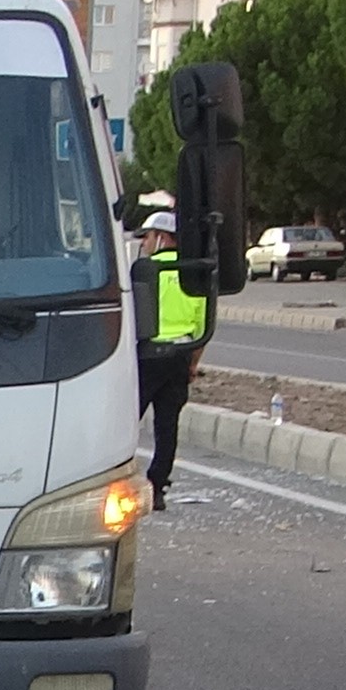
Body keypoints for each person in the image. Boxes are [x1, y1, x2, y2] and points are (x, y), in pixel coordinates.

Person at [132, 209, 211, 510]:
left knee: (126, 424)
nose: (146, 243)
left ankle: (112, 481)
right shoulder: (194, 274)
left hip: (147, 356)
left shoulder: (145, 270)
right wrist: (192, 363)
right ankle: (157, 488)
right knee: (168, 427)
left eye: (149, 237)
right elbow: (203, 325)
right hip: (180, 356)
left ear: (162, 238)